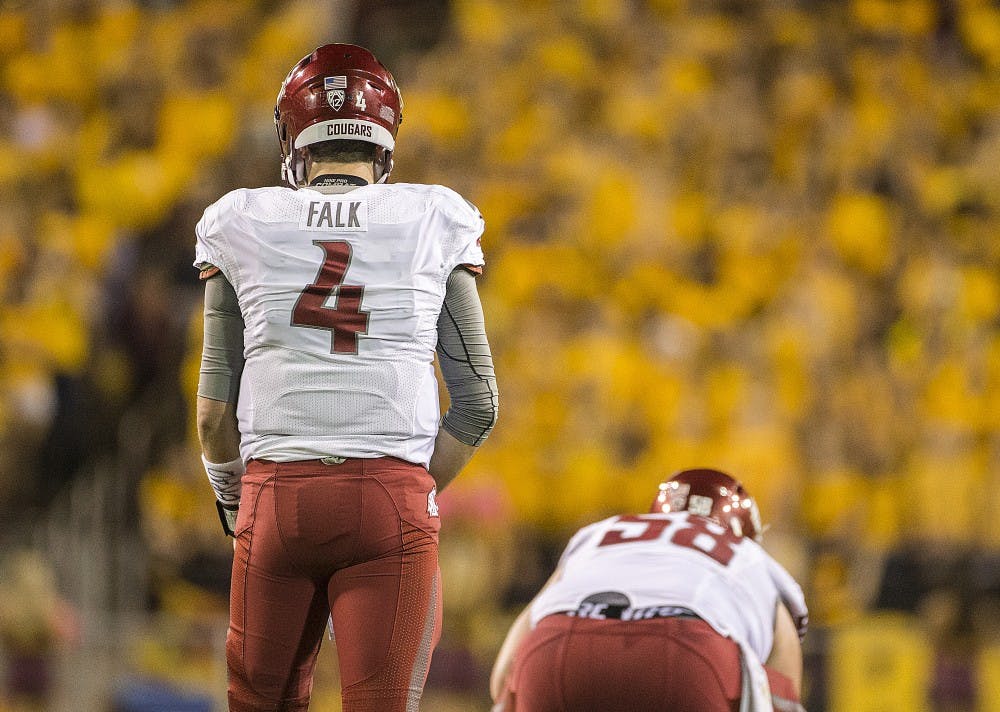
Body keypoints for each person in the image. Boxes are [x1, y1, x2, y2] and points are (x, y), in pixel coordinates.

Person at [193, 43, 499, 712]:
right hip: (390, 500)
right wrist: (409, 489)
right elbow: (477, 402)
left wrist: (233, 502)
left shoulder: (240, 219)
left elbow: (215, 413)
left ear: (294, 137)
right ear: (384, 139)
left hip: (276, 499)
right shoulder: (433, 217)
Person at [490, 468, 808, 712]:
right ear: (743, 532)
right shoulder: (747, 556)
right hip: (686, 656)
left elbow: (503, 675)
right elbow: (784, 694)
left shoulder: (600, 532)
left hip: (555, 649)